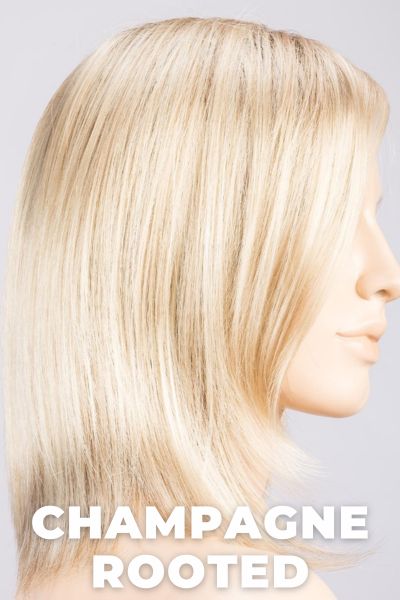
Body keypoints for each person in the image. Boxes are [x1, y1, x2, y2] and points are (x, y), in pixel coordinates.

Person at [3, 16, 400, 599]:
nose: (386, 276)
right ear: (197, 248)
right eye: (336, 219)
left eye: (373, 215)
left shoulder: (62, 578)